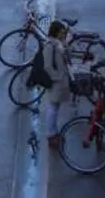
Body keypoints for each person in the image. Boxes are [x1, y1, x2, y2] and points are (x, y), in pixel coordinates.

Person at [38, 20, 72, 149]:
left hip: (60, 80)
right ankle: (51, 134)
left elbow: (68, 56)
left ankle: (54, 132)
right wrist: (57, 77)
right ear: (55, 32)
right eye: (61, 33)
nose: (63, 35)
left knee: (55, 107)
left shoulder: (59, 44)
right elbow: (47, 66)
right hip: (56, 81)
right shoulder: (49, 46)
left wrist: (65, 45)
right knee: (53, 107)